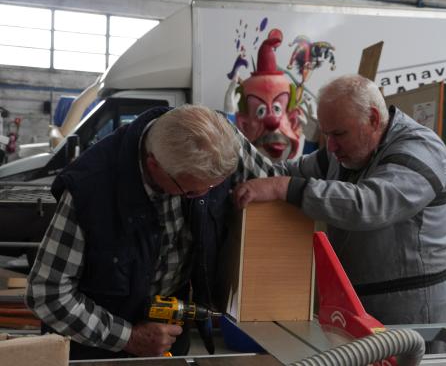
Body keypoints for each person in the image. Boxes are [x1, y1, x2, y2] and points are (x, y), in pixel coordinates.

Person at [25, 104, 281, 360]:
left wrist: (278, 187)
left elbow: (280, 180)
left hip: (170, 332)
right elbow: (47, 293)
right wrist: (128, 337)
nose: (204, 195)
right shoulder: (90, 190)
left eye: (214, 186)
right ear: (154, 165)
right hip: (95, 347)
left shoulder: (220, 142)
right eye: (190, 192)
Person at [234, 74, 446, 333]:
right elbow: (288, 171)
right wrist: (241, 171)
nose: (331, 146)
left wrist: (283, 188)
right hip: (360, 307)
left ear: (373, 119)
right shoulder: (341, 154)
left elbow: (370, 204)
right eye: (327, 135)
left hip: (417, 313)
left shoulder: (421, 149)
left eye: (339, 134)